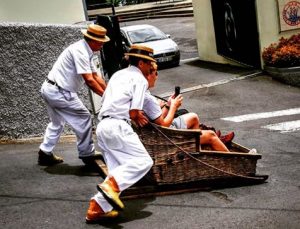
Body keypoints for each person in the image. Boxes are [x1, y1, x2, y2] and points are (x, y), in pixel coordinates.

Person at [85, 45, 155, 223]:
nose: (150, 68)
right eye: (150, 64)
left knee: (116, 171)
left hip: (103, 126)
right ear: (141, 63)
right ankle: (110, 186)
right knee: (144, 161)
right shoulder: (140, 79)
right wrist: (139, 117)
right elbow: (134, 112)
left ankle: (96, 209)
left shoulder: (118, 74)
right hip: (118, 125)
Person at [38, 24, 110, 166]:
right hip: (59, 92)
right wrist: (106, 97)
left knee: (57, 123)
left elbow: (96, 76)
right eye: (101, 42)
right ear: (93, 40)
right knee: (84, 117)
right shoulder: (81, 51)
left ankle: (44, 153)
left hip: (51, 88)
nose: (102, 45)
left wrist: (109, 92)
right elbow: (89, 80)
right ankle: (87, 154)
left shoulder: (85, 50)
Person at [143, 62, 232, 152]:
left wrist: (168, 105)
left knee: (193, 117)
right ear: (148, 75)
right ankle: (206, 144)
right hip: (164, 134)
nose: (157, 76)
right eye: (156, 73)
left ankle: (196, 147)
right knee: (211, 135)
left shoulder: (144, 93)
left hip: (156, 130)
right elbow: (163, 124)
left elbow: (156, 119)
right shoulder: (148, 99)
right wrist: (173, 106)